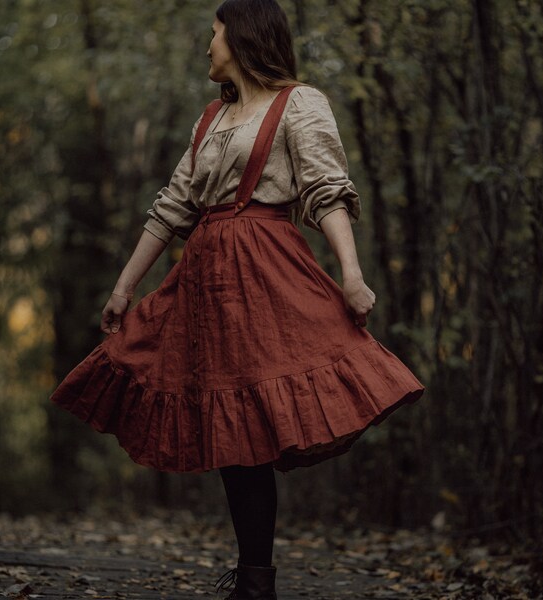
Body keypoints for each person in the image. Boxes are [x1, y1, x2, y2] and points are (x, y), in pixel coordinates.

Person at [50, 0, 425, 598]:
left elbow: (326, 191)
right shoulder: (210, 119)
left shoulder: (300, 103)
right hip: (205, 277)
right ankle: (256, 578)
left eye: (215, 33)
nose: (207, 46)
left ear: (243, 37)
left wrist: (351, 274)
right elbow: (173, 205)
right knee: (230, 423)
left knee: (254, 417)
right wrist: (124, 287)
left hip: (267, 268)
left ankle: (256, 579)